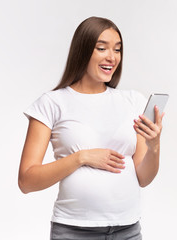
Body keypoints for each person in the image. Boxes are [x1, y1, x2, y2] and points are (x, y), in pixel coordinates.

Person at [18, 16, 165, 240]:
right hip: (73, 231)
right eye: (101, 48)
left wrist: (154, 146)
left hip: (127, 230)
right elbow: (26, 181)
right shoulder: (52, 103)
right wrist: (82, 157)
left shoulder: (133, 101)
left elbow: (143, 178)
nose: (112, 57)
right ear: (83, 50)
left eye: (117, 49)